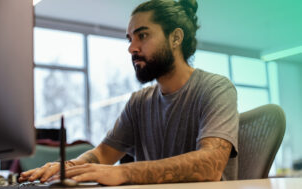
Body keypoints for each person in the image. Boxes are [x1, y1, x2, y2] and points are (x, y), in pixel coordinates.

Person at [19, 0, 238, 186]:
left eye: (142, 36)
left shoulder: (216, 88)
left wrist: (122, 172)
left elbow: (211, 165)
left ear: (175, 38)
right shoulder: (140, 102)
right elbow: (103, 154)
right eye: (130, 39)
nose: (132, 48)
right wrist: (66, 168)